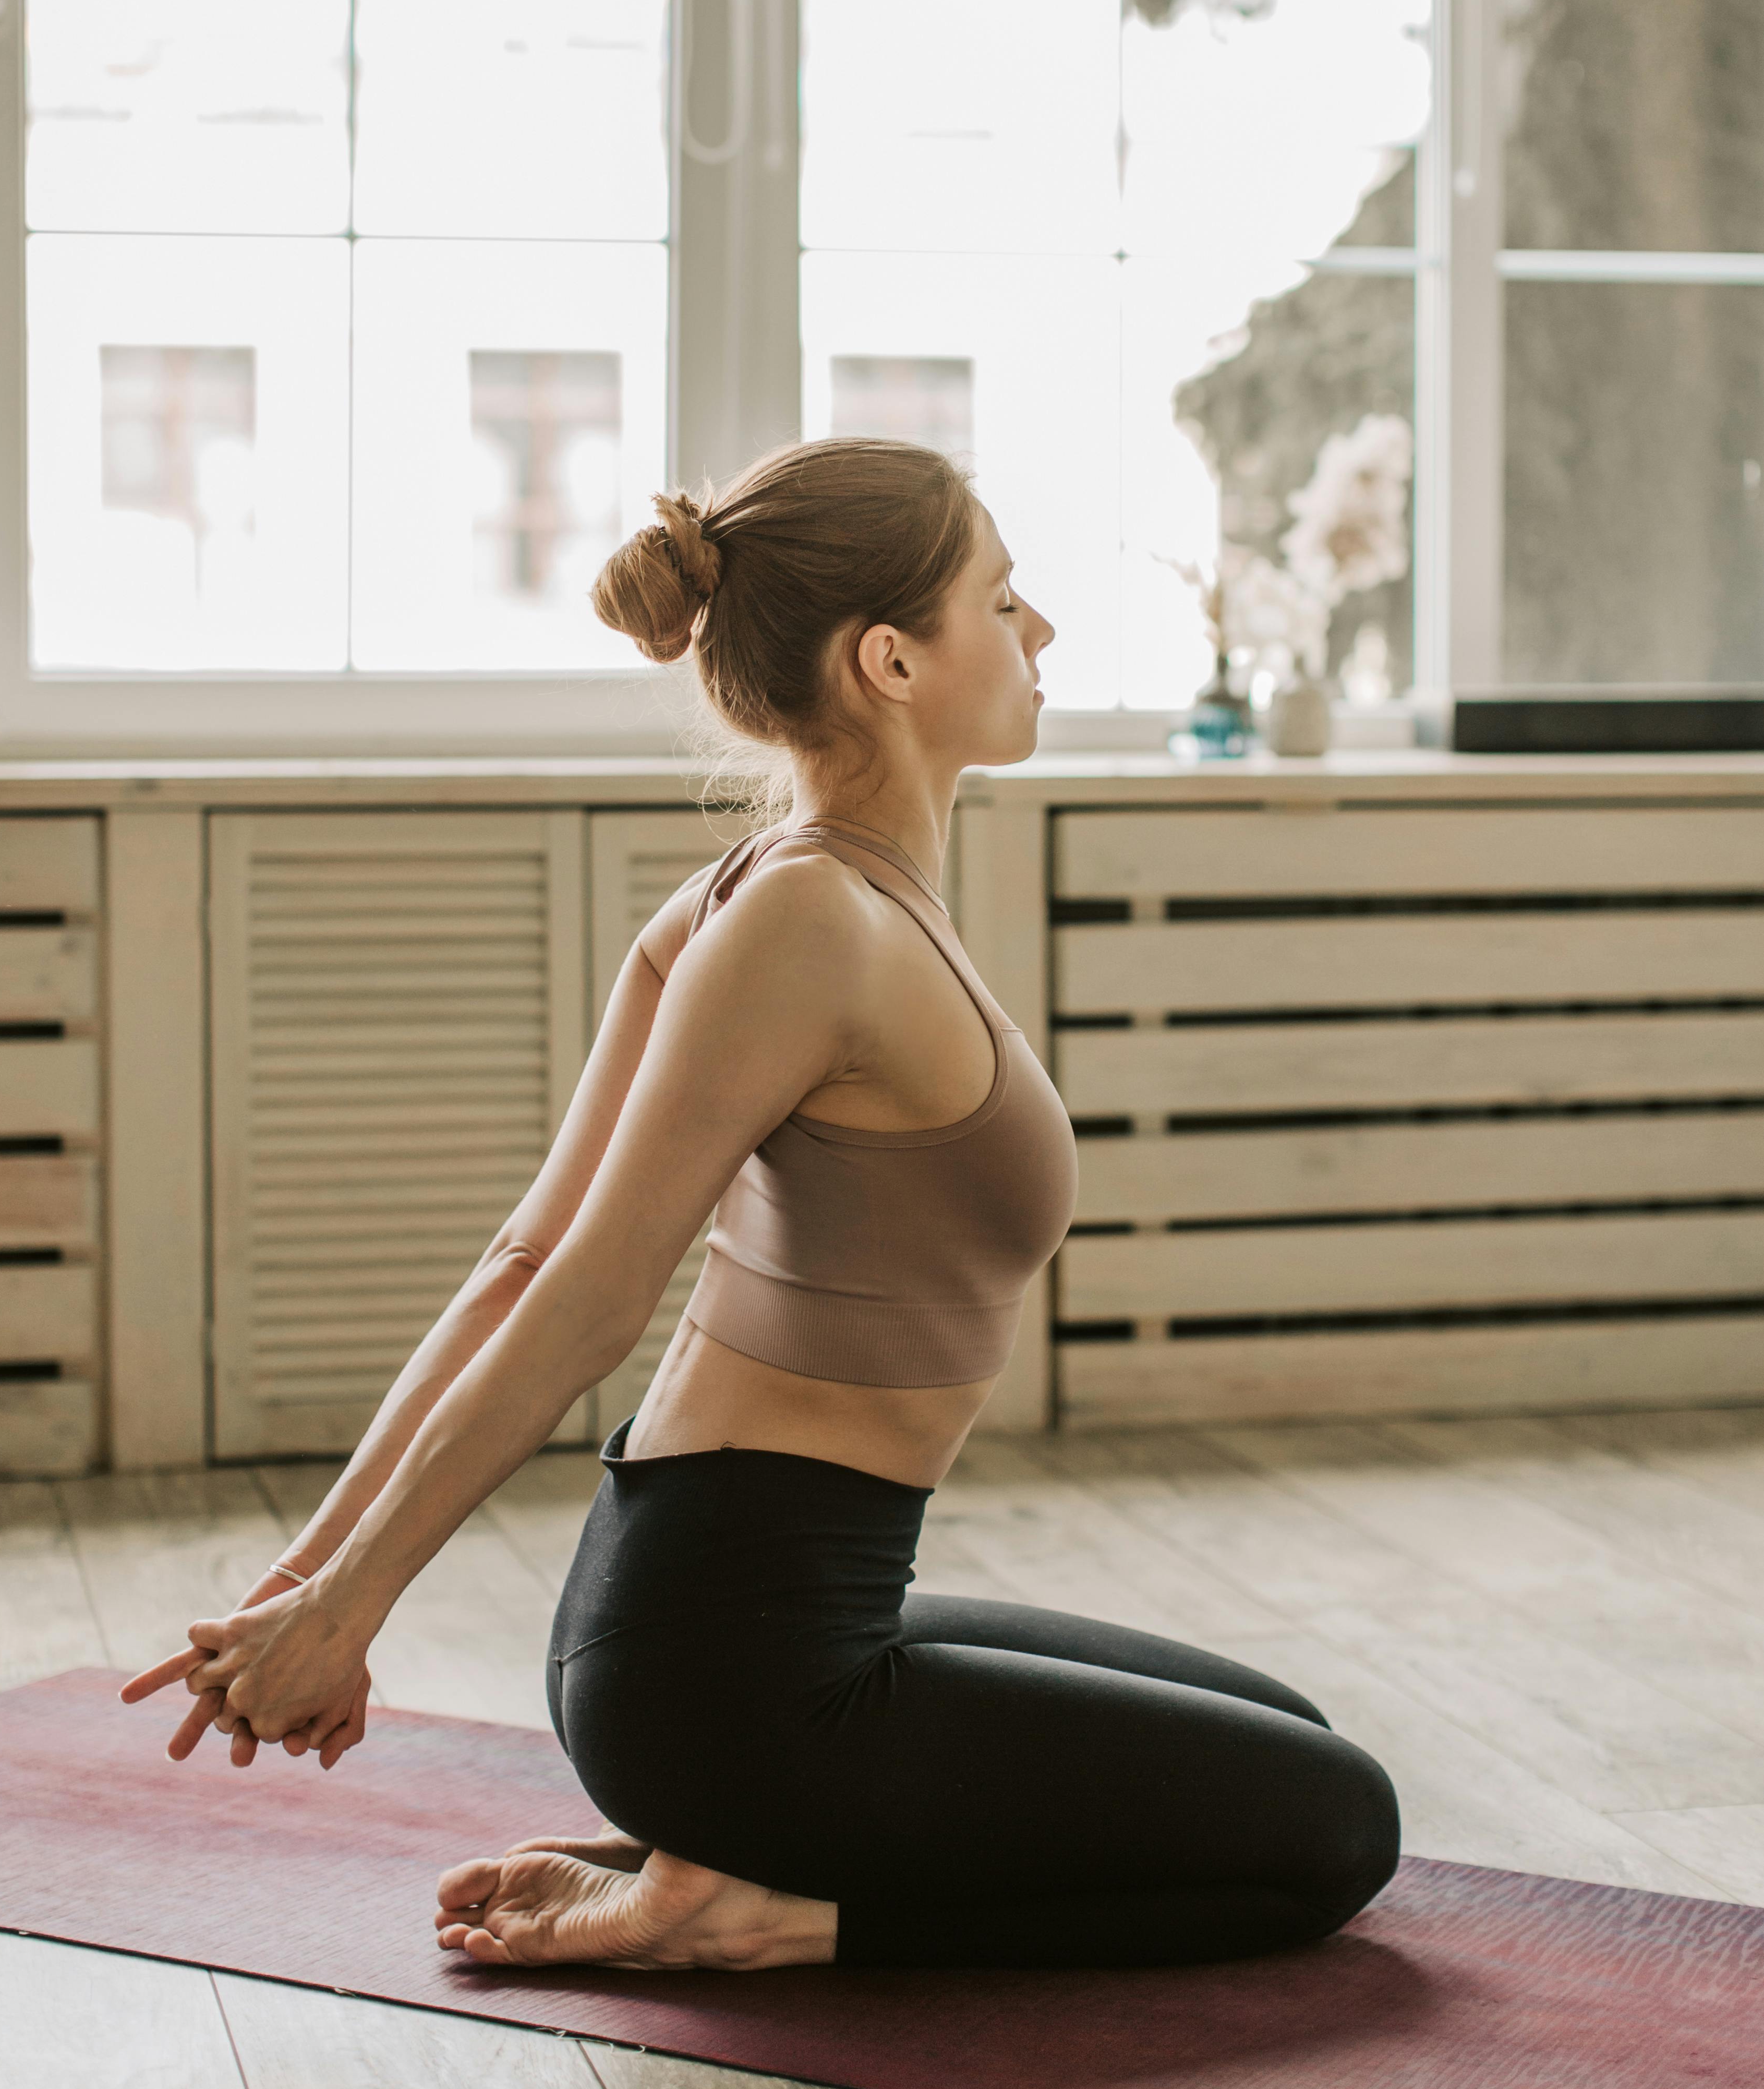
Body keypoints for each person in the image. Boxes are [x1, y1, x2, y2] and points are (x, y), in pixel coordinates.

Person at [124, 438, 1400, 1973]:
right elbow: (572, 1286)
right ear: (889, 659)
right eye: (1001, 600)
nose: (1039, 634)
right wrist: (336, 1603)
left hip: (760, 1616)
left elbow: (517, 1257)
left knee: (1282, 1737)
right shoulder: (802, 918)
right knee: (1337, 1831)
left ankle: (719, 1853)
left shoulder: (795, 891)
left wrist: (305, 1587)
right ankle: (774, 1906)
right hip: (733, 1667)